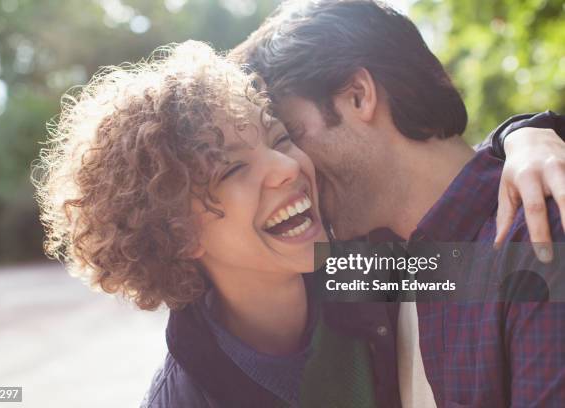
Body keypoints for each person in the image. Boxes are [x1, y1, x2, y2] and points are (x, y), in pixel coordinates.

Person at [231, 0, 565, 406]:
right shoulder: (379, 268)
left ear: (358, 96)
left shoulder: (542, 238)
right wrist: (522, 131)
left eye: (291, 137)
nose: (292, 170)